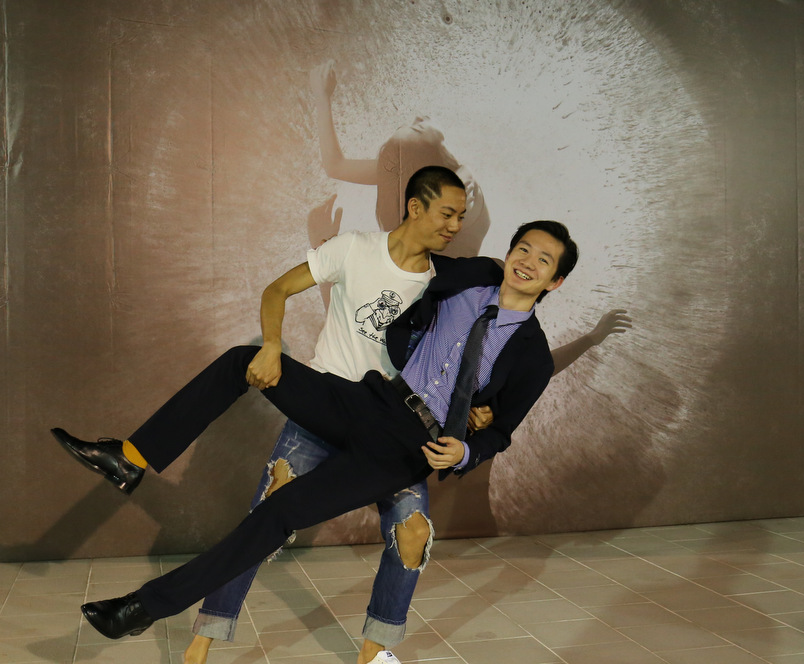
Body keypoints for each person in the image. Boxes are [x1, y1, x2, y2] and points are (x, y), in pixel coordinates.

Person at [53, 220, 579, 651]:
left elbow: (502, 431)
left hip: (407, 447)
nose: (527, 262)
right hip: (372, 399)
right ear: (508, 252)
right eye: (523, 249)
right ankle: (130, 457)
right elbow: (410, 252)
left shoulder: (532, 355)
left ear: (554, 282)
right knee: (246, 361)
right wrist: (344, 247)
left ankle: (142, 607)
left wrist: (465, 449)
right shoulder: (472, 276)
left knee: (280, 513)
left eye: (543, 261)